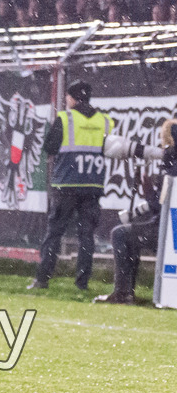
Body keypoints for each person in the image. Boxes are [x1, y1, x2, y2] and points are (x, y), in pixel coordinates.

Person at [29, 81, 114, 291]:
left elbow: (49, 147)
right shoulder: (105, 122)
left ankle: (42, 278)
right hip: (92, 186)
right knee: (86, 236)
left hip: (66, 185)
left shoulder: (65, 119)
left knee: (54, 233)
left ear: (72, 98)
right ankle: (82, 283)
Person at [95, 118, 177, 304]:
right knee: (129, 235)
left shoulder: (172, 165)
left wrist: (148, 191)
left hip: (169, 231)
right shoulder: (172, 164)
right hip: (169, 228)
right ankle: (126, 293)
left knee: (121, 234)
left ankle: (123, 293)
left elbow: (161, 206)